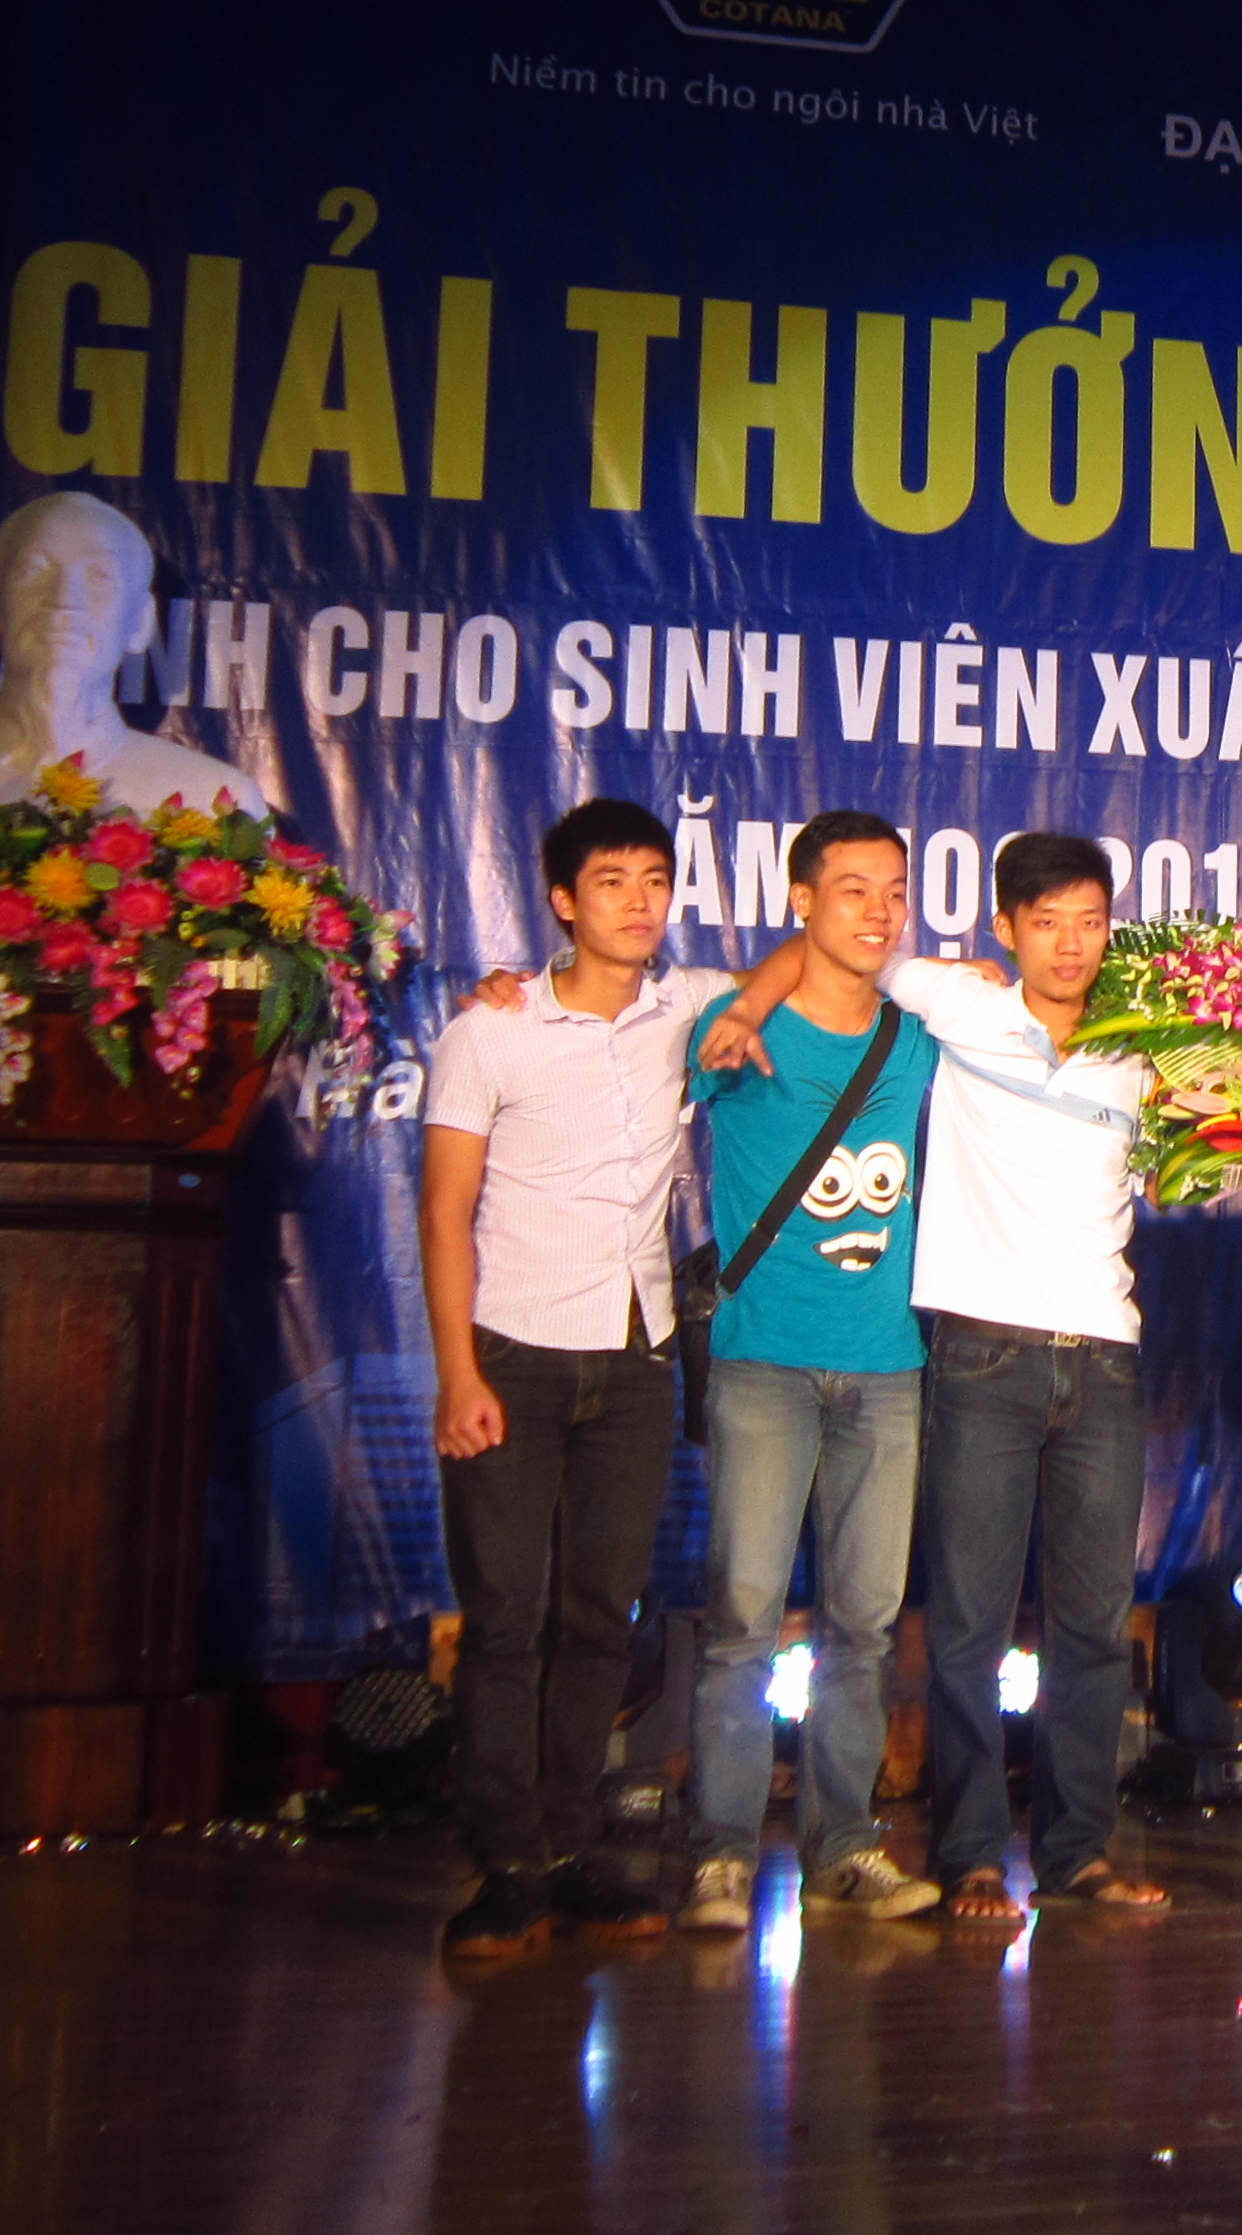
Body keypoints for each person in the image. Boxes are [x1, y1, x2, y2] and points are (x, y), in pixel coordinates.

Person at [736, 830, 1168, 1924]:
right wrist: (744, 1009)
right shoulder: (960, 1005)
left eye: (1089, 923)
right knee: (970, 1625)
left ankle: (1079, 1854)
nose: (1070, 945)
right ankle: (972, 1854)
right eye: (1046, 923)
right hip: (981, 1356)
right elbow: (825, 951)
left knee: (1093, 1625)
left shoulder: (1144, 1049)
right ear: (1005, 930)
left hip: (1105, 1362)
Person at [415, 796, 727, 1960]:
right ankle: (504, 1864)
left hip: (636, 1356)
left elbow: (807, 967)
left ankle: (566, 1847)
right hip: (512, 1350)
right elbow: (443, 1211)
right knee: (505, 1620)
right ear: (562, 900)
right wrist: (457, 1373)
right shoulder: (490, 1030)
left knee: (600, 1618)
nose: (639, 902)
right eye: (611, 881)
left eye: (654, 879)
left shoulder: (683, 1008)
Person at [671, 811, 944, 1932]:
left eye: (895, 891)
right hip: (764, 1366)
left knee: (864, 1625)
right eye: (852, 890)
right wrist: (751, 999)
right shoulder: (739, 1030)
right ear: (801, 901)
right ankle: (721, 1858)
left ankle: (844, 1847)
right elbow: (733, 1008)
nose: (879, 912)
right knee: (743, 1617)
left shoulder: (918, 1037)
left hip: (886, 1368)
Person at [0, 489, 264, 817]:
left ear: (140, 623)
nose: (64, 600)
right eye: (34, 571)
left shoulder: (216, 801)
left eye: (99, 577)